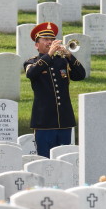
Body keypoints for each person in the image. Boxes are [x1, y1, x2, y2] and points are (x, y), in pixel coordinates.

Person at [23, 22, 86, 158]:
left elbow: (81, 75)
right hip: (44, 121)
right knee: (44, 158)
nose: (49, 42)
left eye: (51, 39)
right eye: (45, 39)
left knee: (64, 158)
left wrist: (69, 56)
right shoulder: (31, 62)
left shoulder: (62, 61)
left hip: (64, 120)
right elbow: (31, 74)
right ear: (36, 45)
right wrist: (49, 54)